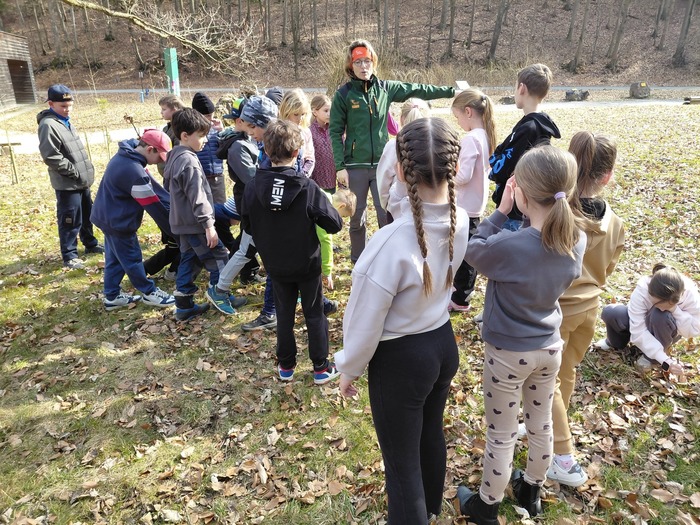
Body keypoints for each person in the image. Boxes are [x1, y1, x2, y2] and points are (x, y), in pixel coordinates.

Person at [336, 118, 470, 524]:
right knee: (430, 432)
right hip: (441, 345)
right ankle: (429, 509)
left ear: (398, 168)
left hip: (402, 360)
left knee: (401, 464)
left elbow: (365, 319)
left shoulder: (388, 243)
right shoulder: (460, 219)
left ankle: (416, 514)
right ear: (455, 168)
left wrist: (349, 368)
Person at [456, 145, 587, 525]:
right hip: (549, 347)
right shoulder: (576, 239)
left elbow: (471, 249)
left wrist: (500, 211)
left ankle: (487, 505)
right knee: (541, 423)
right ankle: (532, 490)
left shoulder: (510, 245)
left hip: (508, 354)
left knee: (501, 435)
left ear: (522, 195)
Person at [330, 39, 455, 263]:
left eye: (367, 61)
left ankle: (388, 258)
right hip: (355, 166)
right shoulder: (344, 95)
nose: (363, 66)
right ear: (350, 65)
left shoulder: (385, 89)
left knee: (385, 214)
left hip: (381, 165)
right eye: (358, 62)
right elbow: (335, 132)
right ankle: (359, 260)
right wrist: (340, 166)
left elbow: (417, 89)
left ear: (373, 62)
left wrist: (451, 91)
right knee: (357, 218)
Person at [241, 120, 343, 385]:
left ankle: (286, 366)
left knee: (284, 314)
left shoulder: (252, 186)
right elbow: (334, 223)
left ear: (266, 149)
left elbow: (247, 224)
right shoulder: (308, 188)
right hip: (306, 263)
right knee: (314, 313)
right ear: (297, 152)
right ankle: (320, 367)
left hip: (276, 264)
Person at [549, 132, 625, 487]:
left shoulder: (557, 216)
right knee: (565, 373)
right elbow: (608, 269)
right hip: (589, 309)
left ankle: (562, 455)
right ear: (606, 176)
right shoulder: (616, 224)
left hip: (555, 311)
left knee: (545, 382)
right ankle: (548, 425)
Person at [213, 96, 280, 330]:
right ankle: (220, 289)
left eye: (253, 126)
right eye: (247, 126)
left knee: (248, 249)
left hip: (263, 205)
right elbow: (255, 179)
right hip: (256, 207)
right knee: (246, 249)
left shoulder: (268, 143)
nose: (250, 132)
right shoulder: (246, 146)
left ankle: (222, 287)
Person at [90, 129, 177, 311]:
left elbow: (154, 188)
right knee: (132, 259)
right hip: (118, 222)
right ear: (150, 149)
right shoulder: (133, 170)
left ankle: (112, 296)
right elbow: (154, 206)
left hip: (107, 217)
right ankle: (149, 292)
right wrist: (175, 231)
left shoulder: (129, 156)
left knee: (115, 259)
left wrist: (174, 203)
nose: (160, 161)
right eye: (159, 156)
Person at [165, 108, 236, 321]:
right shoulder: (189, 162)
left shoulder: (174, 156)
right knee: (219, 256)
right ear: (185, 136)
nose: (205, 140)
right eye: (201, 136)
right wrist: (209, 225)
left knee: (190, 259)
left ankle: (184, 306)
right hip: (196, 223)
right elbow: (198, 197)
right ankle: (220, 296)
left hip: (182, 223)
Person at [37, 84, 103, 270]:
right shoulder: (48, 125)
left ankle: (90, 244)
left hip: (81, 181)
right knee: (70, 219)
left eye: (70, 105)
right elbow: (51, 156)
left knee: (87, 214)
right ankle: (69, 254)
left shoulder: (65, 121)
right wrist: (74, 172)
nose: (67, 109)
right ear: (51, 104)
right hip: (67, 183)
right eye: (63, 106)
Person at [489, 64, 561, 232]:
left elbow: (501, 168)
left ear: (521, 88)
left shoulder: (529, 128)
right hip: (527, 207)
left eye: (515, 87)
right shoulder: (541, 125)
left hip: (514, 212)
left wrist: (495, 159)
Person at [596, 263, 697, 377]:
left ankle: (651, 358)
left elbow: (693, 330)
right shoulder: (643, 289)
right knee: (612, 312)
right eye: (657, 304)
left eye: (667, 306)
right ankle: (615, 342)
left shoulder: (690, 293)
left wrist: (675, 310)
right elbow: (638, 330)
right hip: (641, 323)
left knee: (660, 315)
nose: (662, 309)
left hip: (666, 329)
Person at [448, 89, 497, 312]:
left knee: (464, 253)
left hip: (465, 206)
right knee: (468, 250)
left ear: (468, 112)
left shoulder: (470, 139)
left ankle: (460, 298)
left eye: (457, 116)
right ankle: (461, 291)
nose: (458, 122)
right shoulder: (485, 135)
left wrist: (445, 176)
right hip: (476, 204)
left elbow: (463, 176)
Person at [144, 94, 186, 280]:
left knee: (179, 241)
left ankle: (168, 269)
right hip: (169, 182)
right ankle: (166, 270)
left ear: (174, 109)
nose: (161, 113)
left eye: (164, 109)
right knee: (176, 241)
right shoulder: (167, 128)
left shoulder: (180, 130)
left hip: (176, 183)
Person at [376, 98, 430, 222]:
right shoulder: (434, 144)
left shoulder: (393, 146)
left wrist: (388, 205)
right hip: (430, 210)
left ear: (401, 119)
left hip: (398, 211)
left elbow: (383, 183)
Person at [317, 188, 357, 314]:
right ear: (341, 206)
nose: (341, 219)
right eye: (343, 216)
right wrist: (327, 271)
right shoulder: (325, 209)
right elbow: (325, 240)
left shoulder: (321, 193)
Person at [192, 92, 226, 204]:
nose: (210, 119)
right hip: (200, 177)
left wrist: (222, 132)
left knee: (220, 208)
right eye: (206, 116)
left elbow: (224, 150)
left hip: (217, 177)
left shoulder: (216, 129)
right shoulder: (192, 131)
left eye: (211, 115)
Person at [279, 88, 315, 177]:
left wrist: (303, 176)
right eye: (296, 114)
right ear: (286, 111)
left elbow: (310, 158)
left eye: (303, 114)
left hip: (301, 176)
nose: (300, 118)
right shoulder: (278, 131)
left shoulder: (305, 132)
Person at [309, 94, 335, 194]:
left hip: (332, 181)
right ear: (315, 112)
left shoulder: (334, 130)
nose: (329, 114)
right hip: (316, 183)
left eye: (330, 111)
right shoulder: (310, 132)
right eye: (326, 111)